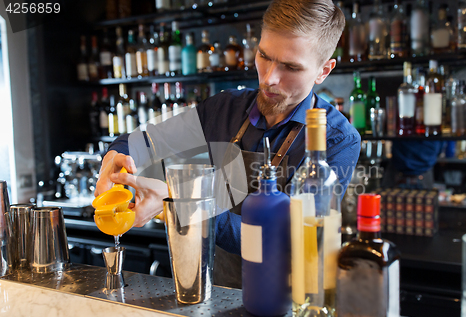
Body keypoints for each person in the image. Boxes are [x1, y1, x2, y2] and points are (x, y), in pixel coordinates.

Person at [95, 0, 361, 288]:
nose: (270, 78)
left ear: (323, 71)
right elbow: (148, 140)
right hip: (218, 290)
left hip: (289, 302)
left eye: (291, 67)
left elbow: (288, 241)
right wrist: (117, 154)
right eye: (264, 55)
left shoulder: (337, 141)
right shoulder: (225, 108)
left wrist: (181, 202)